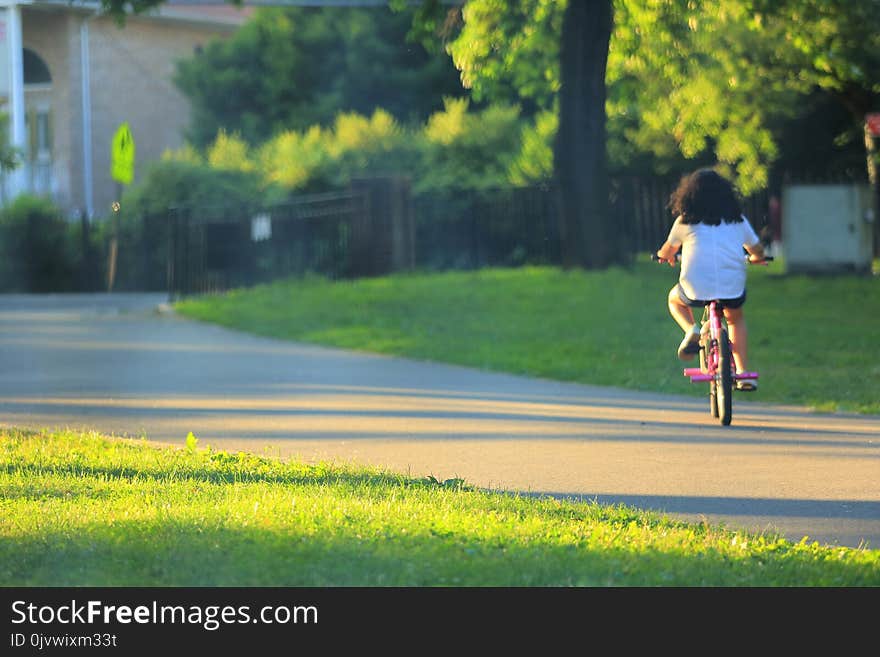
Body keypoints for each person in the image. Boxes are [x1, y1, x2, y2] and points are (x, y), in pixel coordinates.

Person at [655, 168, 766, 391]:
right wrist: (755, 258)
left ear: (689, 196)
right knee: (735, 319)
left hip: (695, 287)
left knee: (674, 299)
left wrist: (664, 256)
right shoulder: (737, 221)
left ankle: (692, 330)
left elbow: (667, 251)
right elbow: (757, 249)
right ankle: (743, 373)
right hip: (731, 287)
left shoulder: (685, 222)